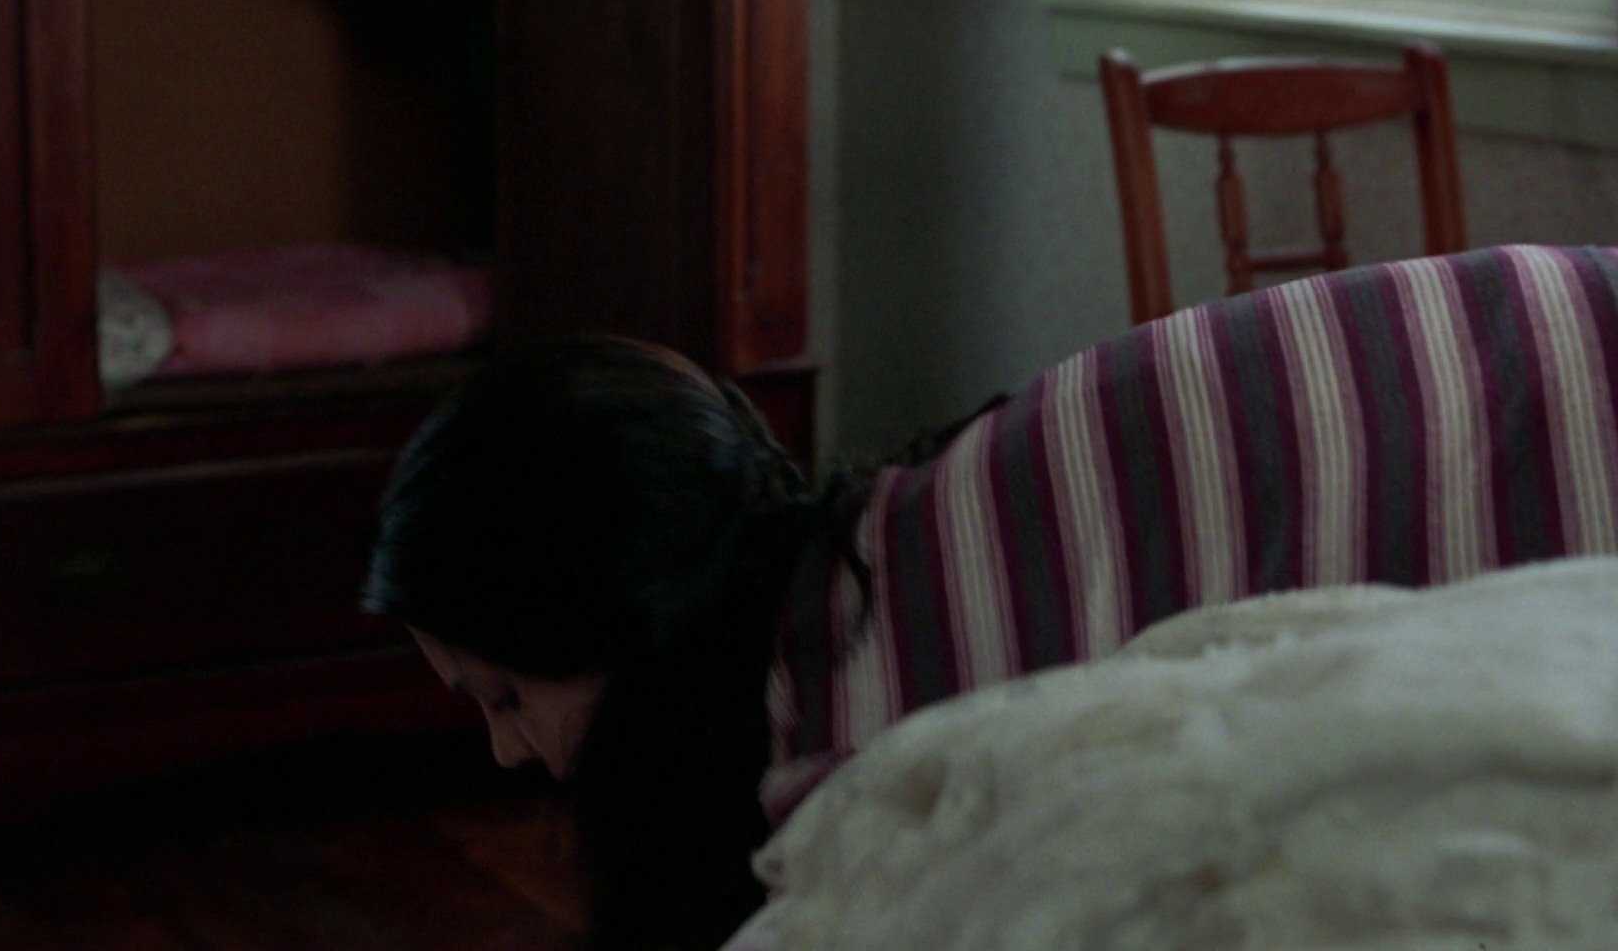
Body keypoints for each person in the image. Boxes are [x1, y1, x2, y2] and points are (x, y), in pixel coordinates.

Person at [363, 244, 1618, 951]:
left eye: (508, 695)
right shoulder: (901, 530)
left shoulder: (851, 750)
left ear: (621, 613)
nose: (506, 749)